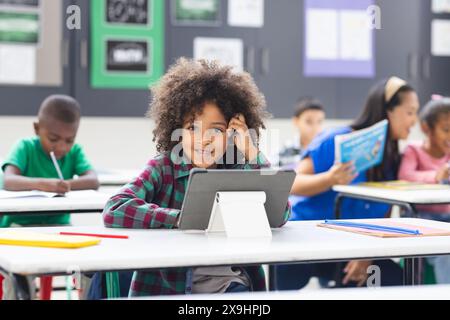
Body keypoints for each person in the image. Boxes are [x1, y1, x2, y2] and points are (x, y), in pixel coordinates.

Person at [100, 58, 291, 297]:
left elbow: (280, 214)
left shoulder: (239, 167)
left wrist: (251, 151)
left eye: (217, 130)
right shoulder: (164, 166)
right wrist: (181, 218)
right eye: (192, 128)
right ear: (176, 129)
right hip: (170, 287)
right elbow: (115, 208)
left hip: (228, 284)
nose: (204, 139)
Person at [273, 76, 419, 290]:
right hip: (306, 236)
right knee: (288, 276)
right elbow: (290, 182)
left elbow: (385, 214)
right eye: (409, 112)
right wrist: (330, 179)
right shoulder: (338, 140)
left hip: (349, 247)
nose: (414, 121)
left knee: (394, 278)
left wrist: (369, 253)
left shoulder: (392, 158)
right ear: (387, 111)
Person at [399, 97, 450, 284]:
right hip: (420, 218)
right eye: (446, 130)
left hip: (446, 219)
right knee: (446, 253)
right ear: (427, 128)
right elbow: (405, 176)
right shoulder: (414, 151)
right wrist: (436, 175)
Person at [277, 97, 325, 169]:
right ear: (296, 121)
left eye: (319, 121)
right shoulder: (284, 152)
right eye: (309, 121)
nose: (315, 127)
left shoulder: (325, 151)